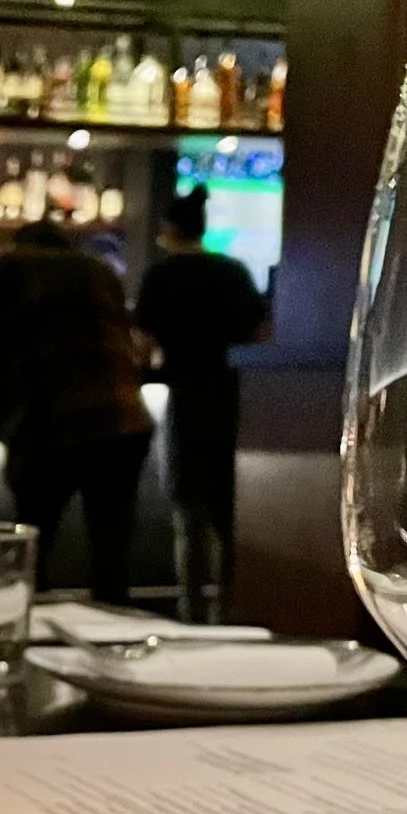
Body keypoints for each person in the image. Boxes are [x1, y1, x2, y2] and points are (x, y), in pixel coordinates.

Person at [0, 220, 151, 605]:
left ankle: (32, 623)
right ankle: (111, 627)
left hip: (55, 417)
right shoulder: (100, 270)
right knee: (111, 557)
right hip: (124, 420)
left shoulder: (13, 266)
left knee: (32, 549)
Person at [134, 185, 267, 621]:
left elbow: (143, 343)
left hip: (185, 396)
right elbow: (260, 332)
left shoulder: (161, 275)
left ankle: (191, 607)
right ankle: (229, 605)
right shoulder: (232, 271)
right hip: (232, 398)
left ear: (171, 230)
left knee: (188, 510)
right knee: (228, 513)